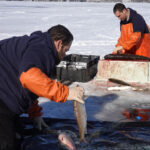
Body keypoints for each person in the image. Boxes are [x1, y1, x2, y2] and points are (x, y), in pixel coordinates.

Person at [0, 24, 84, 150]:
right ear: (59, 43)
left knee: (18, 134)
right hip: (3, 96)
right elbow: (28, 77)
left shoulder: (40, 46)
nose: (64, 55)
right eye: (65, 50)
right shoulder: (42, 49)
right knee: (7, 144)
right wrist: (65, 93)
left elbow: (31, 86)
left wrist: (34, 113)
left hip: (5, 90)